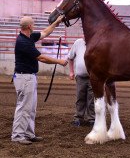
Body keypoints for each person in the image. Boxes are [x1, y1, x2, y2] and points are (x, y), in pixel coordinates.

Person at [11, 15, 68, 145]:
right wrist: (59, 61)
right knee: (24, 107)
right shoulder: (23, 42)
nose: (35, 26)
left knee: (30, 108)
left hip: (28, 77)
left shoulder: (28, 37)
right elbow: (41, 58)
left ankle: (29, 134)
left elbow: (45, 33)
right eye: (34, 24)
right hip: (25, 77)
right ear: (30, 26)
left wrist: (56, 22)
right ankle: (18, 135)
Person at [68, 38, 95, 127]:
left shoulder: (96, 42)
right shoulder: (78, 42)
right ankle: (78, 118)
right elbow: (70, 58)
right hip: (80, 77)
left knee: (92, 99)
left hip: (93, 77)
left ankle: (92, 119)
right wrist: (71, 72)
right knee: (80, 97)